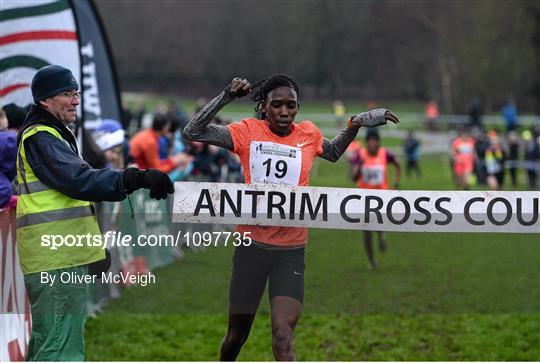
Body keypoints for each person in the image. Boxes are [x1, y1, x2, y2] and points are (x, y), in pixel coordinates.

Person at [183, 74, 399, 361]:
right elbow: (192, 131)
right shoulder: (247, 132)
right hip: (251, 249)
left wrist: (354, 125)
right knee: (236, 338)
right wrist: (226, 96)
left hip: (291, 251)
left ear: (298, 108)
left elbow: (333, 152)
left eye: (291, 105)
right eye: (277, 105)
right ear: (263, 107)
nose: (284, 112)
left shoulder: (307, 134)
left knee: (283, 338)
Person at [16, 65, 174, 361]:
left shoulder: (52, 134)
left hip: (59, 256)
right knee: (60, 352)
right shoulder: (41, 136)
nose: (76, 100)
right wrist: (134, 178)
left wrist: (91, 252)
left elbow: (69, 197)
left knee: (48, 345)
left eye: (76, 93)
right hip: (55, 260)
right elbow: (80, 181)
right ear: (44, 100)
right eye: (66, 93)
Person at [350, 129, 401, 269]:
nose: (373, 143)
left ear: (378, 141)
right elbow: (353, 177)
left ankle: (381, 235)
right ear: (367, 142)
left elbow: (398, 165)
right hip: (364, 199)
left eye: (375, 140)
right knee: (366, 230)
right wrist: (359, 166)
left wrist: (396, 183)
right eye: (370, 140)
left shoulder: (385, 153)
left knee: (378, 225)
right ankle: (371, 260)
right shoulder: (359, 154)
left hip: (381, 198)